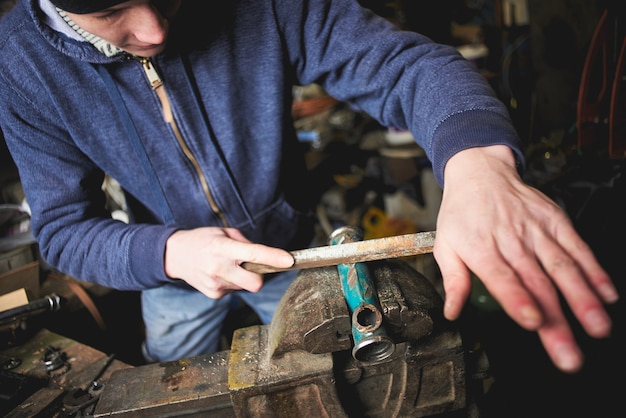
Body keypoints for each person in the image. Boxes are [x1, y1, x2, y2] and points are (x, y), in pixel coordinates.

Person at [0, 0, 618, 372]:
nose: (156, 29)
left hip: (290, 253)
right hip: (171, 280)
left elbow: (406, 67)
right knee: (179, 381)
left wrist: (477, 161)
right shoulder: (20, 65)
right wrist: (168, 253)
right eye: (112, 12)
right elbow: (62, 230)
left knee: (322, 371)